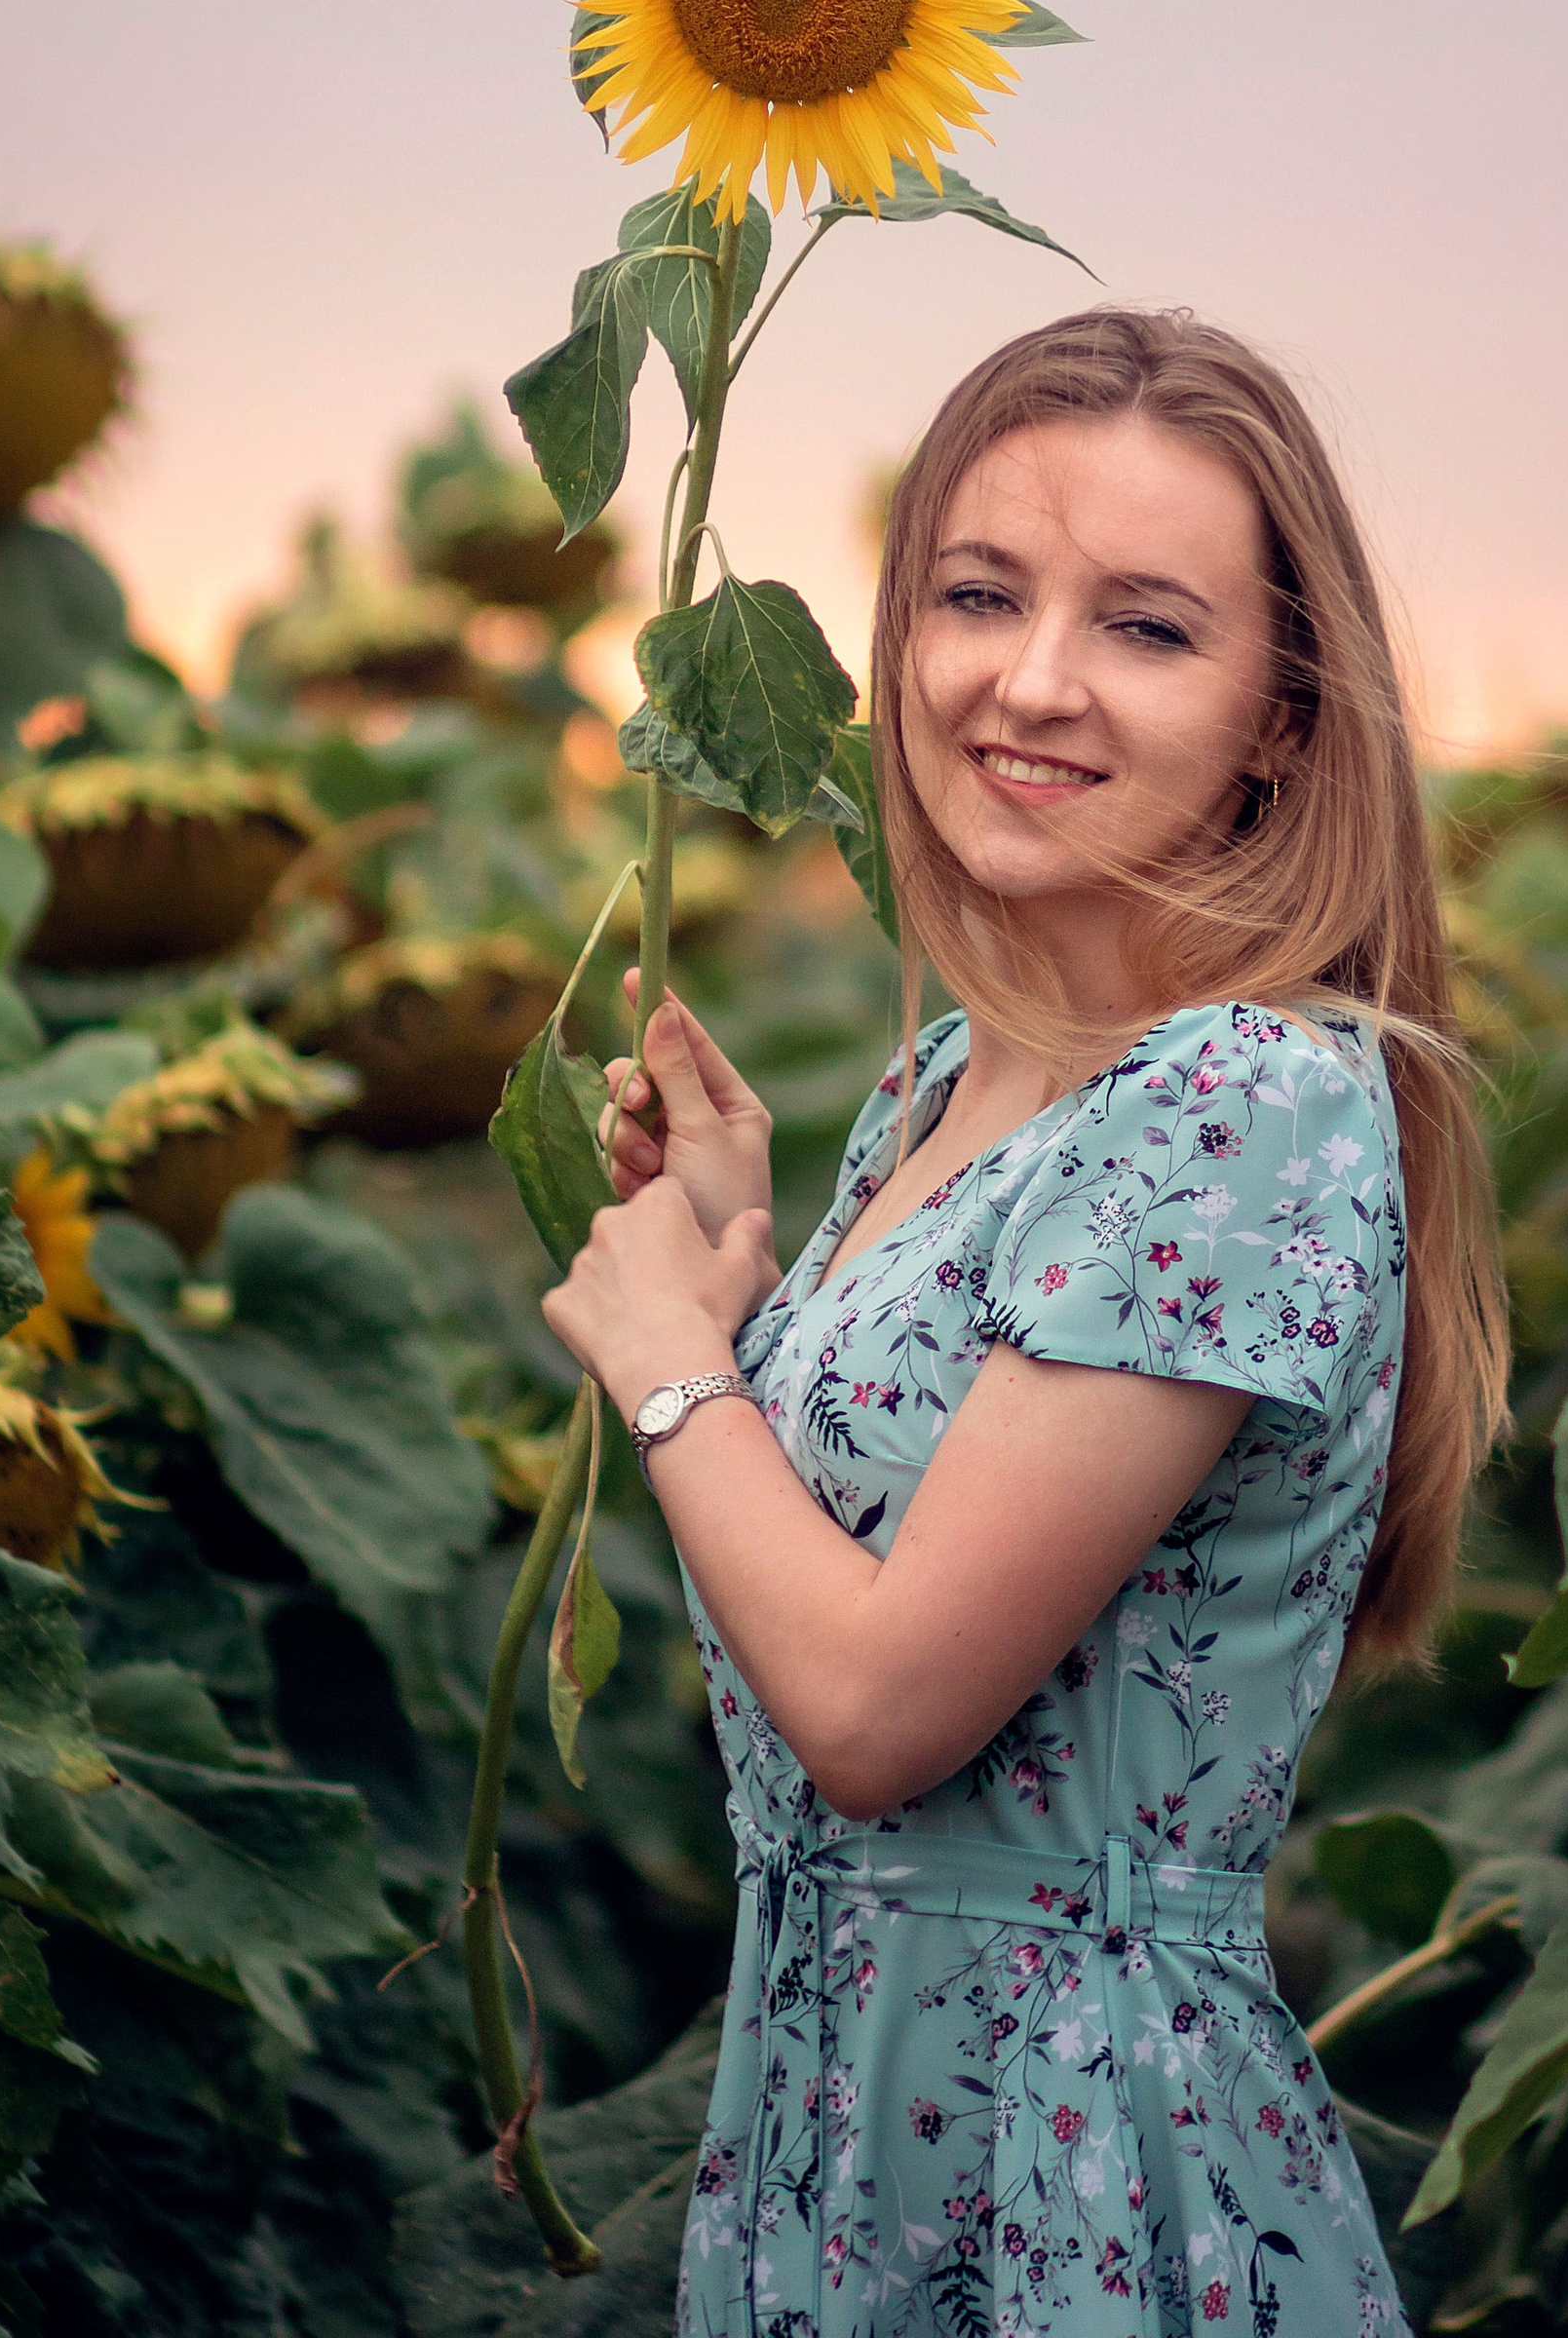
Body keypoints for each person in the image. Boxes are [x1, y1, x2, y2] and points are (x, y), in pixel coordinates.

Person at [544, 305, 1508, 2337]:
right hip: (834, 2125)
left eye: (1147, 628)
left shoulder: (1238, 1103)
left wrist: (666, 1370)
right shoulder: (956, 1082)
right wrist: (735, 1259)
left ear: (1277, 715)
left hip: (1059, 2166)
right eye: (977, 595)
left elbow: (884, 1715)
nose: (1032, 680)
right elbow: (858, 1553)